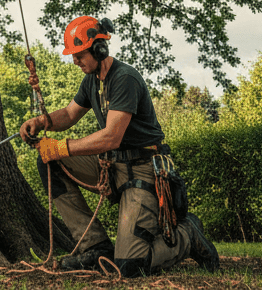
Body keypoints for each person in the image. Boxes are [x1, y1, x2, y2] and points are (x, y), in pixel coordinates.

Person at [18, 16, 220, 276]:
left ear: (99, 49)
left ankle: (188, 235)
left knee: (129, 265)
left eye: (79, 55)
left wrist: (61, 146)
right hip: (114, 166)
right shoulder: (91, 80)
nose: (75, 61)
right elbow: (69, 115)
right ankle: (95, 247)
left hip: (143, 170)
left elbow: (111, 137)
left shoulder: (124, 78)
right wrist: (40, 121)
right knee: (49, 163)